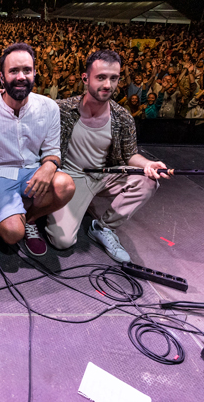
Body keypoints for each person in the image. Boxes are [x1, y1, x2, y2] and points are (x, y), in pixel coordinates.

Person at [49, 50, 170, 263]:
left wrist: (148, 164)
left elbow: (130, 155)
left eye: (114, 78)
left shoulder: (122, 117)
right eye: (101, 77)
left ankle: (103, 228)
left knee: (148, 180)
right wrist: (1, 92)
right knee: (62, 242)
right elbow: (27, 103)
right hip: (72, 178)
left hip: (104, 176)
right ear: (85, 78)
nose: (108, 84)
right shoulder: (62, 109)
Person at [0, 43, 74, 257]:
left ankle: (30, 217)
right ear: (1, 76)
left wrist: (50, 165)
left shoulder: (49, 107)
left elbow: (53, 151)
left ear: (35, 73)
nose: (21, 76)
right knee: (13, 233)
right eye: (13, 71)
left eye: (27, 70)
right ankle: (9, 216)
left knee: (65, 185)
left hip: (31, 172)